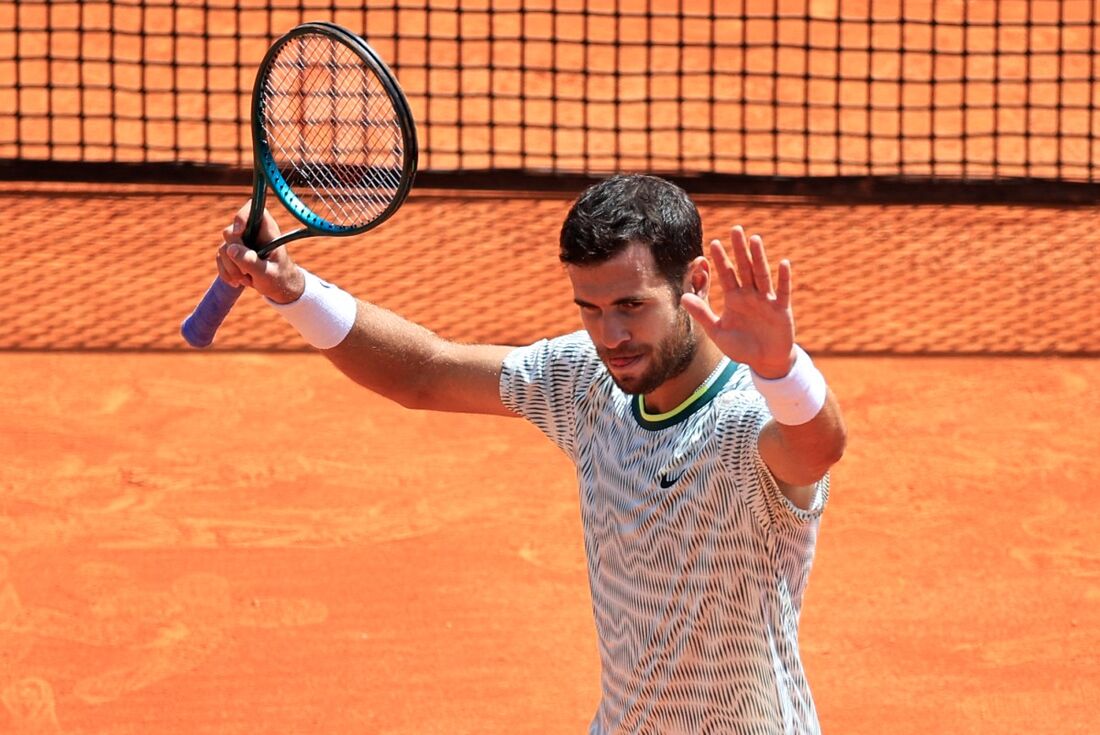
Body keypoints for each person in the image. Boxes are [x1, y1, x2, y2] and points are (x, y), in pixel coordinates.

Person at [214, 173, 847, 735]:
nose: (612, 336)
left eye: (633, 305)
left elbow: (815, 448)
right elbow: (426, 373)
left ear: (695, 283)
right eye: (591, 309)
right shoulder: (584, 381)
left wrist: (783, 368)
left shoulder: (747, 420)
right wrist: (293, 290)